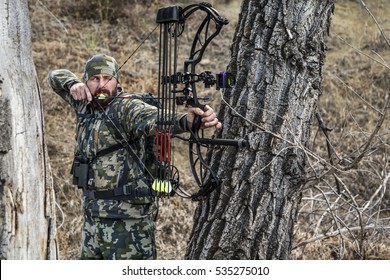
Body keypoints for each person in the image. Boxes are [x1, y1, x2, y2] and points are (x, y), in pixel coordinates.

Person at [48, 53, 221, 260]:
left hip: (128, 224)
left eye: (107, 78)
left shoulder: (126, 107)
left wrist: (188, 121)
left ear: (116, 81)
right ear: (87, 82)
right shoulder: (84, 103)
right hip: (92, 218)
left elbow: (156, 118)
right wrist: (72, 84)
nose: (101, 84)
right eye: (95, 79)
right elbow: (54, 77)